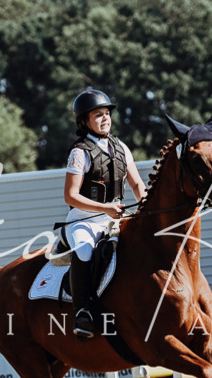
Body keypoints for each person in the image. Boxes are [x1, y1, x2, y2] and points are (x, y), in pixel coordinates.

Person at [62, 89, 147, 338]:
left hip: (115, 219)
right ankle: (82, 313)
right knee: (85, 250)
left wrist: (145, 205)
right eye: (98, 115)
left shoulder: (121, 147)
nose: (105, 119)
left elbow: (137, 185)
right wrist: (105, 208)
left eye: (107, 114)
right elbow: (70, 196)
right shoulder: (79, 152)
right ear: (84, 121)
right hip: (83, 221)